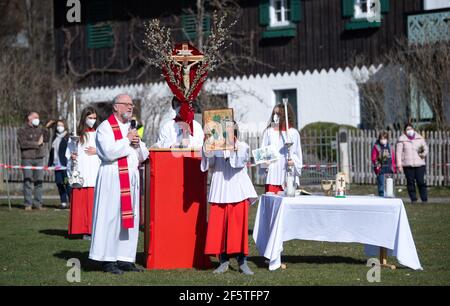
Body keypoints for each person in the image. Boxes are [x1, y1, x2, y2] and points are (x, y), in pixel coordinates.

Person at [89, 94, 149, 274]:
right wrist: (128, 140)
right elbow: (108, 152)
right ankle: (108, 259)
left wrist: (137, 145)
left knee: (130, 219)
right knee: (111, 217)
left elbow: (143, 156)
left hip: (130, 178)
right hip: (112, 176)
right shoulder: (105, 128)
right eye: (126, 104)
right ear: (116, 107)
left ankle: (125, 258)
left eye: (132, 105)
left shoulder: (132, 128)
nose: (131, 107)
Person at [201, 121, 257, 275]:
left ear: (235, 131)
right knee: (220, 229)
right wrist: (207, 146)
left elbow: (239, 163)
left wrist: (232, 148)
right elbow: (209, 164)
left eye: (230, 130)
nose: (227, 133)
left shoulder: (243, 145)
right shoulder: (215, 145)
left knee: (238, 229)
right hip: (221, 189)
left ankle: (242, 261)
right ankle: (223, 261)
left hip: (237, 190)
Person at [66, 107, 100, 239]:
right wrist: (72, 156)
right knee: (80, 203)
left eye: (94, 118)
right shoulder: (77, 135)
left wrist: (97, 151)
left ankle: (91, 230)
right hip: (81, 172)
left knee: (92, 204)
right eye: (90, 117)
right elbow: (69, 152)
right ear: (84, 118)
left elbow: (106, 150)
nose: (93, 120)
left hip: (95, 171)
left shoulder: (99, 134)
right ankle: (79, 229)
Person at [259, 103, 303, 193]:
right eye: (274, 114)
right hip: (273, 175)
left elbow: (297, 154)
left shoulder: (293, 133)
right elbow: (263, 153)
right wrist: (265, 162)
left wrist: (293, 162)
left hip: (288, 175)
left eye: (278, 114)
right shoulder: (269, 132)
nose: (275, 116)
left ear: (285, 115)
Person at [17, 111, 54, 210]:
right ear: (29, 118)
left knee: (39, 182)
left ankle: (38, 204)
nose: (38, 119)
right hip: (27, 159)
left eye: (38, 117)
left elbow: (46, 139)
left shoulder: (40, 128)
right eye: (35, 117)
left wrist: (47, 128)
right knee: (27, 182)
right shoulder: (22, 129)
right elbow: (23, 144)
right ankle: (28, 204)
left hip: (39, 159)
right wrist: (37, 144)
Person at [396, 123, 428, 203]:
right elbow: (398, 153)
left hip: (419, 164)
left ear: (413, 129)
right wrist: (399, 164)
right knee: (410, 183)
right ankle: (413, 199)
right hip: (407, 165)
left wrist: (422, 154)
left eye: (410, 129)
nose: (409, 131)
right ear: (405, 131)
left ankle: (424, 199)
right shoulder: (401, 140)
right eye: (407, 129)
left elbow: (425, 148)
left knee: (421, 181)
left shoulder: (419, 138)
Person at [48, 119, 71, 209]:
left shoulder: (68, 137)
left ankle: (71, 201)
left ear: (65, 126)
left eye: (61, 125)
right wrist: (49, 165)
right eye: (58, 125)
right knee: (59, 183)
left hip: (65, 166)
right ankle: (63, 202)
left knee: (67, 184)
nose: (59, 127)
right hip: (56, 166)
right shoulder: (55, 137)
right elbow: (51, 152)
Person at [371, 131, 396, 197]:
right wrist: (377, 164)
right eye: (381, 139)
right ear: (379, 139)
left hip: (389, 168)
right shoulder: (376, 147)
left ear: (387, 139)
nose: (383, 140)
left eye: (384, 139)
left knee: (390, 184)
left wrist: (393, 167)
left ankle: (390, 196)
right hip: (380, 169)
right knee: (381, 184)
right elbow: (374, 158)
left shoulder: (390, 147)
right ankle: (381, 196)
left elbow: (392, 157)